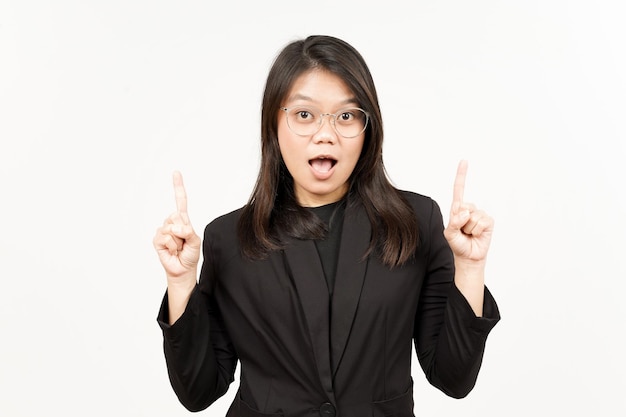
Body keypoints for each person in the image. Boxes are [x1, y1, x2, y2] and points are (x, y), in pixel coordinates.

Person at [154, 35, 500, 417]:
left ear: (368, 129)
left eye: (347, 116)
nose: (325, 133)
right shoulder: (229, 239)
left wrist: (470, 269)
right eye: (305, 115)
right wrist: (181, 282)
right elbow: (198, 392)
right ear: (274, 124)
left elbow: (454, 378)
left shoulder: (416, 222)